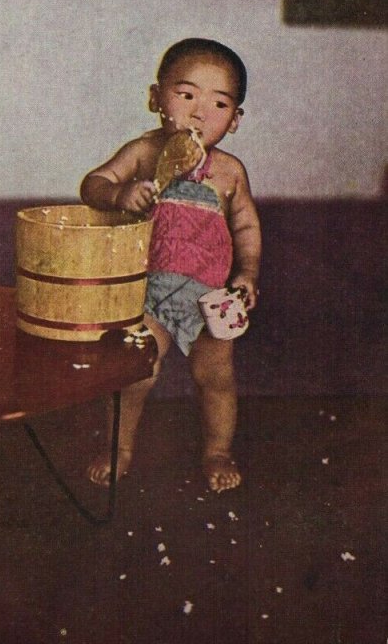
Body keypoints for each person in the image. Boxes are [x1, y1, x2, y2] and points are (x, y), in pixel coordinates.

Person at [80, 38, 261, 493]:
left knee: (216, 377)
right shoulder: (143, 152)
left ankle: (218, 449)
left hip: (210, 297)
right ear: (155, 98)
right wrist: (119, 194)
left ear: (235, 120)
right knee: (138, 369)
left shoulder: (230, 173)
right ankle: (120, 446)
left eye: (219, 103)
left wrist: (247, 274)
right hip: (151, 292)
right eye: (187, 95)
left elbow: (245, 230)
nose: (201, 112)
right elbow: (93, 183)